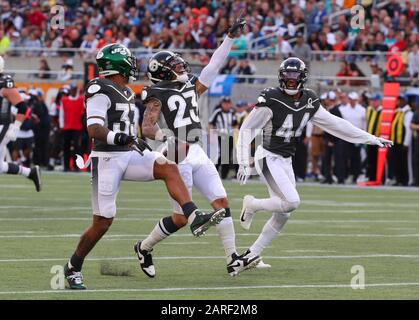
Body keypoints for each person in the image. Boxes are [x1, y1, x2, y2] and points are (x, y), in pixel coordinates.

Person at [63, 43, 225, 290]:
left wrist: (139, 142)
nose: (134, 65)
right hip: (107, 159)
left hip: (128, 155)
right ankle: (73, 266)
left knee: (168, 166)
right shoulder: (99, 87)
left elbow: (129, 131)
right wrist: (120, 138)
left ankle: (194, 216)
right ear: (118, 65)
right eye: (129, 61)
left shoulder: (127, 91)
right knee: (103, 221)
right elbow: (94, 129)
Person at [236, 57, 393, 265]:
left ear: (302, 78)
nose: (291, 81)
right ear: (281, 77)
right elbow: (247, 128)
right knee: (291, 202)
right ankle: (252, 204)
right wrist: (241, 160)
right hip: (267, 157)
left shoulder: (309, 100)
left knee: (284, 214)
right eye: (287, 76)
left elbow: (337, 124)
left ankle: (252, 254)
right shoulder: (271, 98)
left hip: (285, 160)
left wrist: (371, 139)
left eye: (295, 77)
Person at [137, 14, 261, 277]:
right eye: (174, 64)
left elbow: (214, 64)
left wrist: (229, 38)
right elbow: (147, 127)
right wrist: (164, 138)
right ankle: (144, 247)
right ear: (163, 71)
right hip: (176, 154)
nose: (181, 66)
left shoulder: (192, 86)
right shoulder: (156, 93)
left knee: (221, 201)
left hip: (197, 150)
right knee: (181, 219)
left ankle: (232, 259)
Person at [0, 56, 41, 191]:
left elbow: (23, 108)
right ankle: (30, 173)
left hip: (2, 125)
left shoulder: (4, 83)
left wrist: (16, 127)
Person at [209, 96, 238, 179]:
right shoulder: (217, 112)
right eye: (225, 103)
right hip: (220, 136)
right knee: (220, 155)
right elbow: (211, 124)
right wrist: (211, 136)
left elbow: (235, 125)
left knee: (228, 156)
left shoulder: (232, 112)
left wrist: (236, 137)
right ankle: (214, 173)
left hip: (230, 137)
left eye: (228, 103)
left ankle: (224, 176)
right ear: (221, 104)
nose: (226, 105)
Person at [365, 93, 383, 181]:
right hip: (370, 139)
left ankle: (379, 177)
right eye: (371, 100)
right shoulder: (371, 110)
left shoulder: (382, 111)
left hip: (379, 140)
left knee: (378, 159)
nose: (372, 102)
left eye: (374, 101)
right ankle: (371, 177)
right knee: (370, 159)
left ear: (379, 101)